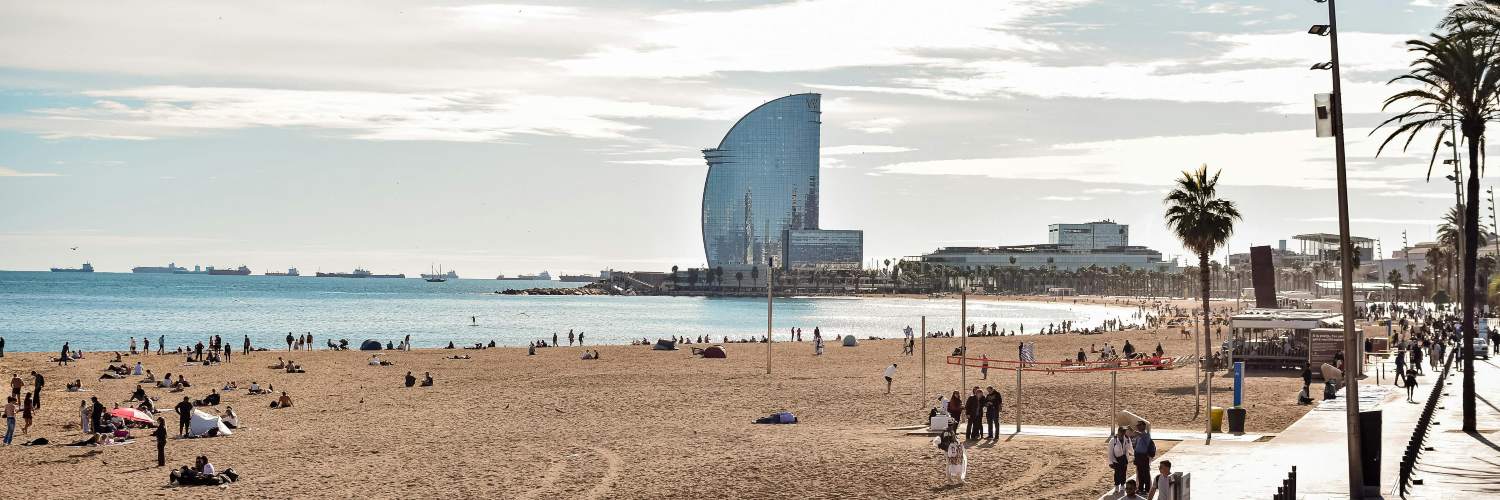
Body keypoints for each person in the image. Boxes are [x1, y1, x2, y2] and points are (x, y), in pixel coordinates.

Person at [1133, 421, 1157, 497]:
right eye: (1137, 425)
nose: (1138, 427)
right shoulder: (1140, 435)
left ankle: (1147, 489)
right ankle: (1140, 488)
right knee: (1140, 473)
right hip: (1139, 456)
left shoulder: (1146, 434)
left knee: (1145, 473)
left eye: (1139, 425)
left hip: (1144, 457)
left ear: (1144, 426)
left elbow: (1141, 435)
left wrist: (1133, 430)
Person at [1108, 427, 1131, 492]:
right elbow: (1110, 452)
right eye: (1122, 431)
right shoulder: (1113, 440)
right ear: (1118, 432)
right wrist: (1110, 462)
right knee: (1117, 473)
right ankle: (1117, 486)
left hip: (1124, 459)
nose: (1123, 433)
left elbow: (1129, 448)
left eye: (1124, 431)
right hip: (1116, 460)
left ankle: (1122, 485)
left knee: (1123, 472)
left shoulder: (1126, 439)